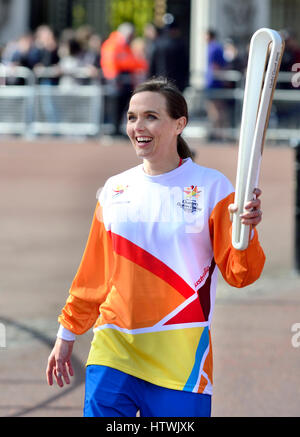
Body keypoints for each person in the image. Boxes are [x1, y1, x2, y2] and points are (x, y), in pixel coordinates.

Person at [46, 77, 265, 417]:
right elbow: (94, 272)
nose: (138, 127)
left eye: (150, 116)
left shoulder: (213, 188)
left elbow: (240, 274)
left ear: (180, 123)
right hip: (113, 348)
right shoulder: (115, 189)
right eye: (132, 117)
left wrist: (246, 233)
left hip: (181, 356)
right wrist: (67, 334)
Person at [100, 22, 148, 136]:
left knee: (124, 105)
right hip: (117, 79)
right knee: (116, 105)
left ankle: (118, 128)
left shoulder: (124, 45)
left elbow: (131, 62)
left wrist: (143, 67)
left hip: (125, 78)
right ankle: (114, 128)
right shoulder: (113, 44)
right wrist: (114, 78)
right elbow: (109, 62)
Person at [204, 29, 228, 141]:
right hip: (216, 82)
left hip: (213, 83)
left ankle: (216, 132)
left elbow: (215, 66)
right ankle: (220, 132)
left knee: (214, 108)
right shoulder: (218, 47)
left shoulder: (213, 48)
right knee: (219, 108)